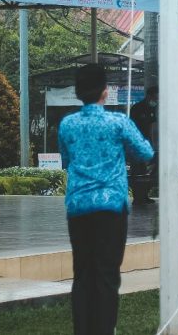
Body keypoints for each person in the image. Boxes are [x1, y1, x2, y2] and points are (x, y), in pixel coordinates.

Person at [58, 64, 154, 335]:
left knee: (83, 273)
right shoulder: (117, 122)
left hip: (78, 206)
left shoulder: (67, 124)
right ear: (105, 91)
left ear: (78, 92)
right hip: (110, 206)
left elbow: (66, 159)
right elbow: (145, 152)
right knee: (107, 274)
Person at [129, 86, 159, 204]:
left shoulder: (151, 108)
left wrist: (151, 142)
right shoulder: (136, 108)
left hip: (146, 143)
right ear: (149, 96)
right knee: (137, 170)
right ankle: (137, 197)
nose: (156, 100)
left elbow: (151, 126)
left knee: (146, 170)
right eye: (156, 97)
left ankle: (144, 195)